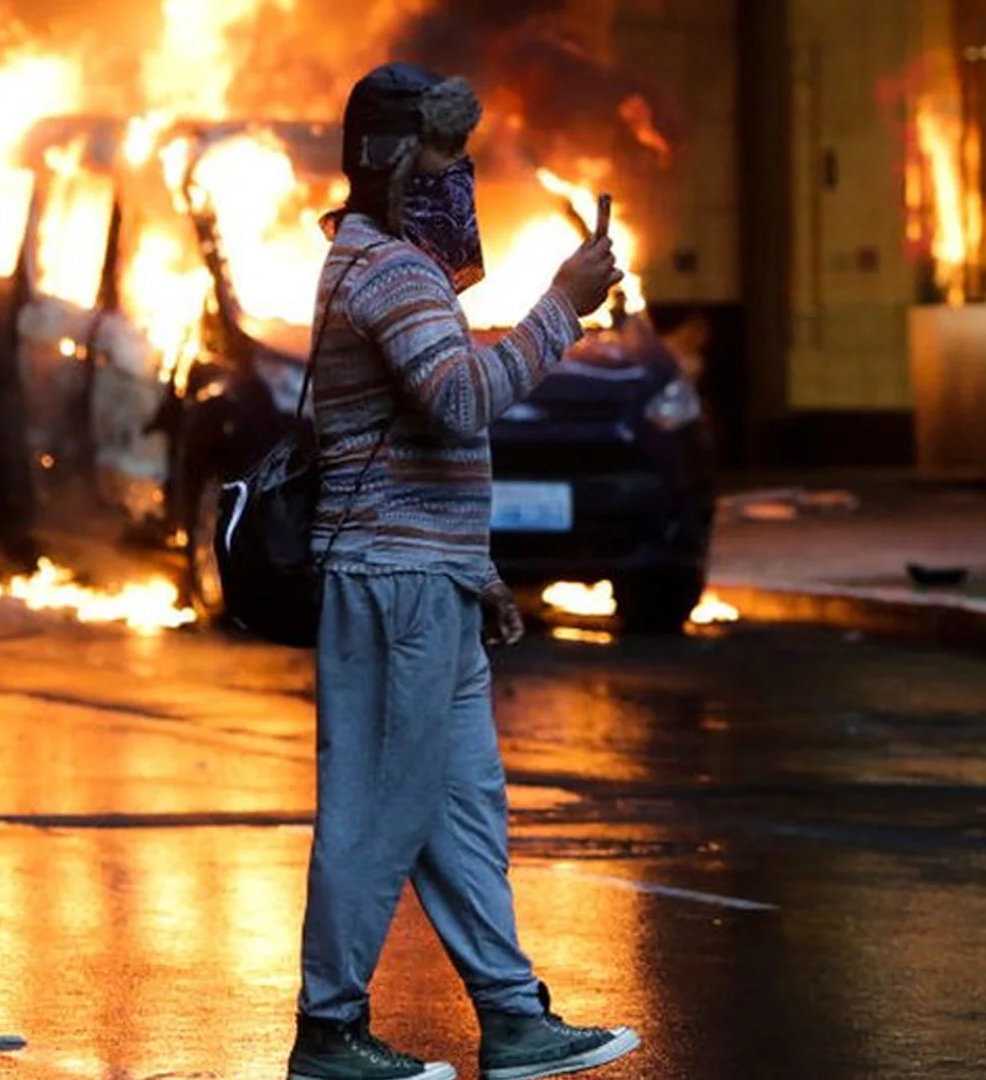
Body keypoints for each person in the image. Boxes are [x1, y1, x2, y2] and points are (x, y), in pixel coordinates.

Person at [289, 62, 639, 1080]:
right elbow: (458, 400)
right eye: (446, 162)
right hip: (393, 585)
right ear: (391, 164)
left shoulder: (387, 261)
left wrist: (471, 568)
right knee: (377, 809)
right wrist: (562, 308)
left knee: (460, 807)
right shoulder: (391, 270)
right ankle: (329, 1032)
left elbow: (425, 441)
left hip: (426, 581)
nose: (461, 183)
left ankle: (514, 1016)